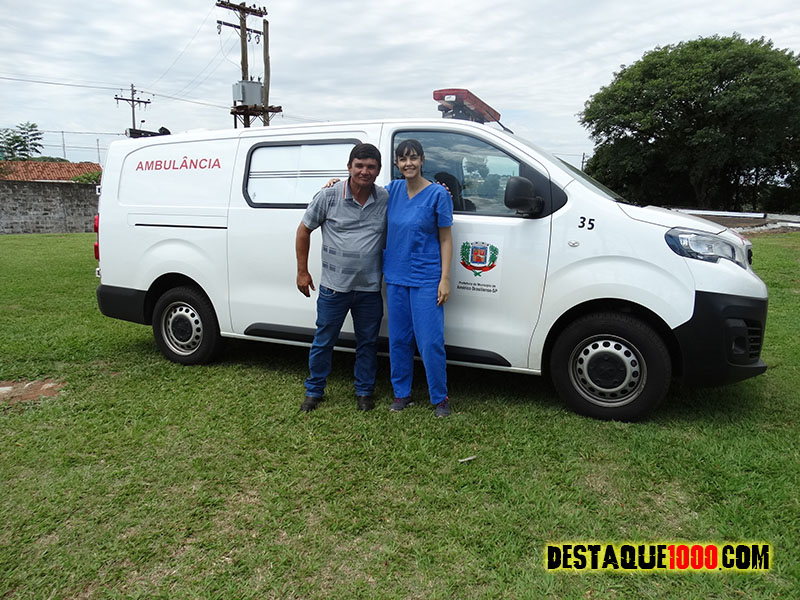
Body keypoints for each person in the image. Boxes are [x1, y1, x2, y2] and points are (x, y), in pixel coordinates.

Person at [295, 143, 389, 412]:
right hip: (333, 288)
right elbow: (303, 231)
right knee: (324, 340)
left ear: (378, 170)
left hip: (369, 289)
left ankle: (364, 392)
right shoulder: (329, 196)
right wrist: (302, 271)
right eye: (359, 165)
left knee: (368, 343)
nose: (364, 171)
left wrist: (442, 189)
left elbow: (412, 194)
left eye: (371, 166)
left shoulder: (385, 198)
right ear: (349, 167)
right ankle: (314, 391)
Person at [383, 139, 454, 417]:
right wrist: (334, 184)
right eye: (402, 159)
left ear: (422, 160)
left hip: (426, 278)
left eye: (413, 157)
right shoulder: (392, 190)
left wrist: (444, 278)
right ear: (396, 163)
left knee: (430, 341)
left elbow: (446, 239)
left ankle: (440, 397)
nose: (408, 163)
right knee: (399, 340)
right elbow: (360, 190)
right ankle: (402, 393)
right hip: (396, 276)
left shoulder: (438, 194)